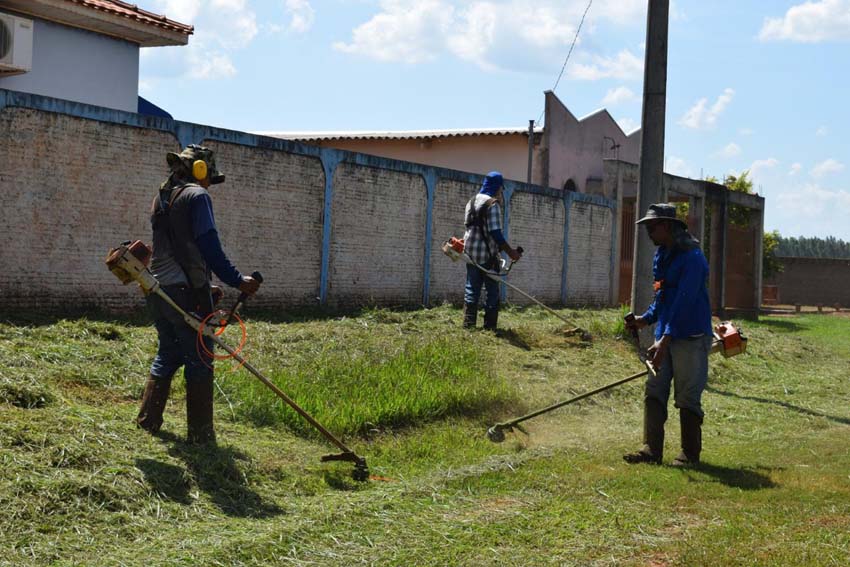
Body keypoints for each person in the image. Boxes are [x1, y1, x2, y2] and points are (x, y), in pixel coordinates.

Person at [136, 144, 260, 443]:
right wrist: (236, 280)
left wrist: (205, 283)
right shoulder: (197, 196)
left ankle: (147, 420)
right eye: (209, 177)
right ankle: (201, 437)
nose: (209, 184)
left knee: (168, 352)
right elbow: (208, 245)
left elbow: (179, 248)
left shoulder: (162, 198)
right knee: (200, 359)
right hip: (185, 294)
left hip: (158, 290)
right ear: (200, 170)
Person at [623, 203, 712, 467]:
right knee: (654, 389)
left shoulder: (693, 258)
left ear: (668, 226)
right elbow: (662, 295)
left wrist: (665, 338)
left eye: (653, 226)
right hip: (666, 334)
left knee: (687, 395)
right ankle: (651, 449)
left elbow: (685, 301)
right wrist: (645, 320)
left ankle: (690, 454)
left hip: (690, 335)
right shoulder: (661, 255)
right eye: (648, 226)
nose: (649, 231)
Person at [462, 171, 522, 330]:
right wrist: (511, 253)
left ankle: (468, 327)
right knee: (492, 291)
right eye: (500, 190)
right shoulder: (492, 204)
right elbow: (496, 233)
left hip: (469, 254)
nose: (501, 193)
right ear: (496, 187)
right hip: (487, 256)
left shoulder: (471, 201)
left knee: (471, 289)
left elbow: (468, 228)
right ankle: (489, 328)